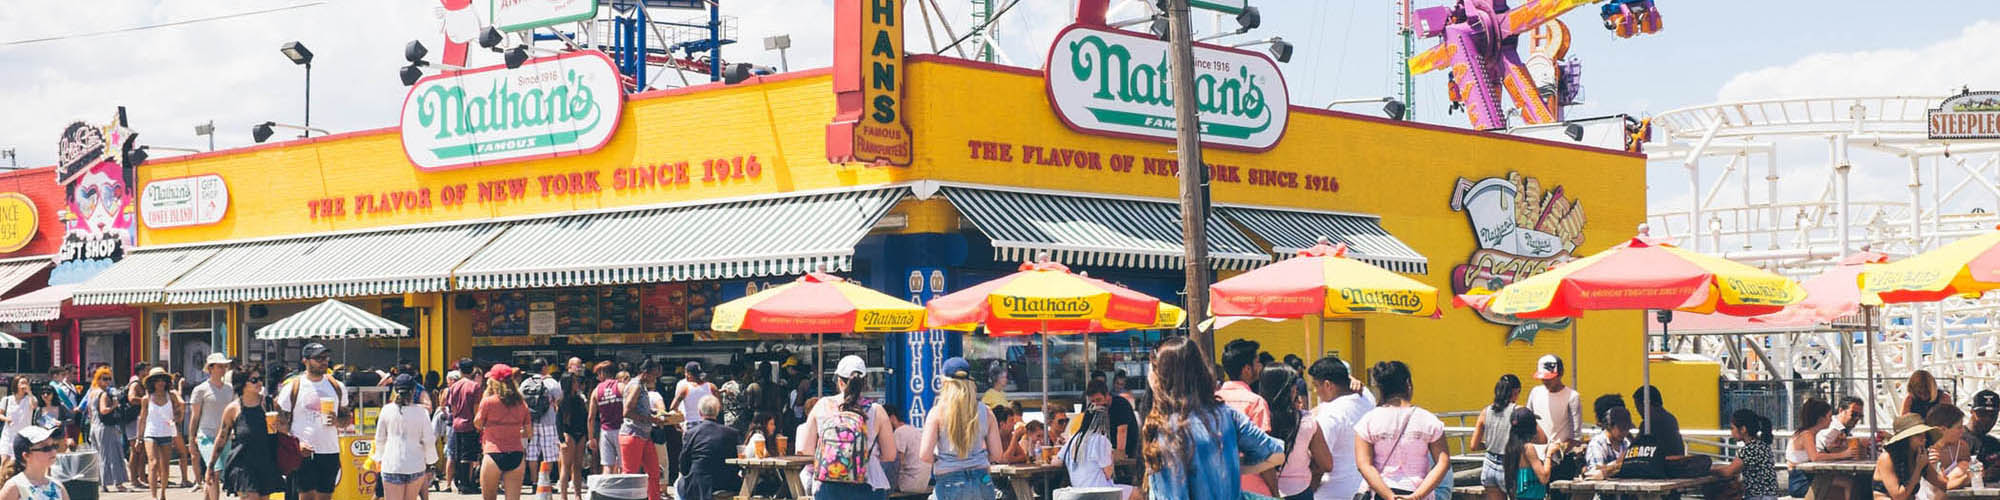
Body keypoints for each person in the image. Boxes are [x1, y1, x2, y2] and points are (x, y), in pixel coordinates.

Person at [1141, 336, 1283, 499]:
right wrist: (1230, 465)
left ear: (1161, 376)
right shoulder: (1227, 414)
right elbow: (1276, 454)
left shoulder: (1167, 430)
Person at [803, 355, 896, 500]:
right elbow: (890, 455)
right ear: (864, 382)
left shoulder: (822, 405)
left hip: (828, 485)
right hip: (868, 485)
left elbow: (806, 450)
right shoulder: (876, 411)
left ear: (839, 381)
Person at [1354, 361, 1450, 500]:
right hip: (1419, 492)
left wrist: (1390, 496)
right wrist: (1417, 496)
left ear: (1381, 388)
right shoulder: (1428, 420)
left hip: (1380, 493)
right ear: (1408, 384)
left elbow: (1364, 465)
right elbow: (1443, 462)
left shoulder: (1368, 421)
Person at [920, 357, 1001, 500]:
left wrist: (941, 459)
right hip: (982, 480)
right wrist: (978, 458)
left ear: (945, 383)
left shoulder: (937, 413)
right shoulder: (986, 412)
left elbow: (925, 455)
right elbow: (997, 454)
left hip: (949, 482)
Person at [276, 343, 350, 500]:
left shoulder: (337, 386)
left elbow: (346, 418)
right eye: (319, 358)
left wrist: (337, 421)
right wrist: (296, 445)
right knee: (306, 496)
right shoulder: (293, 386)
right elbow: (280, 422)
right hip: (303, 451)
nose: (324, 361)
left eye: (326, 358)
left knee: (325, 496)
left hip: (329, 450)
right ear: (305, 361)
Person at [1260, 365, 1332, 500]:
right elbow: (1326, 463)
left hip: (1263, 491)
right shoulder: (1306, 421)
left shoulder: (1257, 420)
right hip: (1300, 491)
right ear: (1291, 389)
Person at [1307, 356, 1373, 500]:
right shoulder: (1366, 398)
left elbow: (1320, 463)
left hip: (1332, 492)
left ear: (1328, 385)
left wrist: (1309, 490)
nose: (1316, 391)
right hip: (1364, 488)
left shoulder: (1329, 414)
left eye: (1316, 385)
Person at [212, 369, 283, 500]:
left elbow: (286, 427)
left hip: (265, 461)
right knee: (251, 497)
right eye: (254, 380)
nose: (259, 383)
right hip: (242, 464)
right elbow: (222, 437)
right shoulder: (233, 409)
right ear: (242, 384)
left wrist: (280, 425)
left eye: (260, 379)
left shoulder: (269, 404)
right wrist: (211, 466)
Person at [376, 374, 438, 500]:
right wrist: (431, 461)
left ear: (395, 390)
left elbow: (380, 439)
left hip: (392, 464)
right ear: (414, 391)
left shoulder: (386, 410)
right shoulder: (422, 412)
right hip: (415, 464)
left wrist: (379, 457)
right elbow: (428, 440)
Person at [476, 364, 530, 500]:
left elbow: (477, 423)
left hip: (493, 452)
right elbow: (529, 432)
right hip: (516, 454)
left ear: (494, 382)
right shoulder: (522, 404)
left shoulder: (488, 402)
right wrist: (513, 430)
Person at [1057, 406, 1135, 500]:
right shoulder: (1100, 440)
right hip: (1101, 491)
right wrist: (1111, 457)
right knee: (1138, 493)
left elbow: (1057, 461)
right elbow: (1108, 473)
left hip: (1078, 491)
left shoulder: (1073, 439)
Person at [618, 360, 668, 500]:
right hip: (633, 434)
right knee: (631, 475)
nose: (655, 379)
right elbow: (627, 412)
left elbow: (639, 408)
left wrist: (653, 413)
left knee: (654, 472)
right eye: (654, 376)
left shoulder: (640, 386)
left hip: (643, 436)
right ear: (645, 373)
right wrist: (651, 419)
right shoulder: (636, 386)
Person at [676, 396, 741, 500]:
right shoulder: (732, 433)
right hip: (726, 481)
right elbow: (737, 462)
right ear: (718, 411)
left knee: (678, 483)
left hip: (698, 484)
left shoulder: (691, 433)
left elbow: (683, 464)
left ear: (699, 412)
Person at [1472, 375, 1525, 500]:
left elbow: (1474, 445)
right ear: (1515, 391)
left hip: (1489, 465)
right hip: (1510, 464)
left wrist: (1491, 443)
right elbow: (1541, 438)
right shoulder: (1519, 412)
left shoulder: (1486, 412)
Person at [189, 353, 232, 500]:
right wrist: (191, 439)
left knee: (213, 473)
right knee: (215, 470)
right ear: (211, 368)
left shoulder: (229, 389)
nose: (223, 369)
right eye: (220, 366)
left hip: (225, 436)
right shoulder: (200, 389)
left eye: (224, 366)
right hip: (206, 435)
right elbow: (195, 416)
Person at [1876, 414, 1950, 500]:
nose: (1924, 439)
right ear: (1906, 439)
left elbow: (1943, 484)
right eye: (1918, 435)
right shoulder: (1887, 458)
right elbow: (1899, 497)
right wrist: (1918, 468)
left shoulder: (1919, 457)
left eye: (1924, 434)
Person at [137, 368, 183, 500]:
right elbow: (142, 418)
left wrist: (177, 419)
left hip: (166, 433)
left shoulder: (171, 396)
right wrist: (139, 438)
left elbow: (180, 409)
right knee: (153, 463)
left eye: (163, 380)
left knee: (165, 466)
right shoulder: (147, 398)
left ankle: (162, 492)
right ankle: (153, 496)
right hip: (150, 433)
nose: (160, 382)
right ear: (152, 382)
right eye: (157, 380)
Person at [519, 359, 561, 500]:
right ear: (544, 368)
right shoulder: (551, 382)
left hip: (531, 422)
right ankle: (545, 481)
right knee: (549, 453)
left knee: (532, 453)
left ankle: (534, 483)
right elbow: (559, 398)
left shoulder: (526, 382)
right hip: (548, 421)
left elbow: (521, 400)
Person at [85, 367, 131, 493]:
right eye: (104, 379)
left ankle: (101, 483)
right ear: (98, 379)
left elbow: (89, 412)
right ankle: (117, 483)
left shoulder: (92, 393)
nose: (107, 381)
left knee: (99, 455)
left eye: (109, 379)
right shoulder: (103, 394)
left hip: (94, 427)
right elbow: (104, 410)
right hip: (106, 427)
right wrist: (114, 406)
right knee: (113, 454)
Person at [444, 359, 486, 494]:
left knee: (458, 454)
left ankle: (460, 483)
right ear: (472, 370)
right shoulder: (475, 387)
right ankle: (466, 484)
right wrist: (478, 425)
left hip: (457, 424)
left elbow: (453, 408)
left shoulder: (454, 387)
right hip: (470, 424)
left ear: (460, 370)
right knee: (469, 456)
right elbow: (476, 407)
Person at [1720, 409, 1778, 500]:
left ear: (1743, 429)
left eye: (1732, 428)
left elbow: (1728, 472)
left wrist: (1709, 470)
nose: (1731, 432)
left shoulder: (1749, 449)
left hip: (1758, 497)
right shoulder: (1762, 445)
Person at [0, 426, 66, 500]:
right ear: (26, 456)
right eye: (45, 448)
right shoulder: (14, 487)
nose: (53, 451)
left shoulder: (58, 486)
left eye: (55, 446)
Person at [1527, 355, 1582, 444]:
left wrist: (1559, 449)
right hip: (1536, 449)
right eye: (1543, 378)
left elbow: (1576, 435)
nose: (1545, 381)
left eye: (1549, 378)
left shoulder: (1572, 396)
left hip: (1561, 449)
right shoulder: (1535, 392)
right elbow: (1527, 422)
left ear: (1560, 374)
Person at [1085, 379, 1141, 460]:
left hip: (1128, 451)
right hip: (1107, 453)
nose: (1097, 404)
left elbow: (1122, 431)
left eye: (1099, 400)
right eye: (1093, 401)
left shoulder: (1120, 404)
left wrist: (1119, 455)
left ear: (1107, 395)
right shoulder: (1093, 408)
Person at [1925, 405, 1973, 498]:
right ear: (1942, 430)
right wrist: (1967, 478)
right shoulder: (1927, 450)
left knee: (1964, 465)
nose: (1963, 431)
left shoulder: (1961, 447)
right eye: (1959, 427)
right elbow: (1941, 486)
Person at [585, 361, 623, 476]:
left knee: (607, 466)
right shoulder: (621, 386)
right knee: (623, 465)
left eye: (598, 374)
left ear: (602, 373)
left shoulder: (596, 391)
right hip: (621, 430)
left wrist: (591, 438)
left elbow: (591, 417)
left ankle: (607, 487)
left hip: (605, 431)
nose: (597, 377)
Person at [1501, 409, 1549, 500]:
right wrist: (1549, 455)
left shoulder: (1511, 446)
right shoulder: (1528, 448)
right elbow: (1544, 478)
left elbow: (1543, 440)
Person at [556, 373, 589, 500]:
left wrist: (586, 435)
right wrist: (561, 439)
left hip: (580, 434)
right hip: (568, 433)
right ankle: (563, 496)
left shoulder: (580, 399)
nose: (577, 384)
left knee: (578, 466)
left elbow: (585, 418)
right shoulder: (562, 401)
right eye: (574, 382)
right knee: (566, 466)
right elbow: (558, 422)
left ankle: (577, 495)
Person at [884, 407, 927, 493]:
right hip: (923, 484)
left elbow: (898, 462)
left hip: (908, 484)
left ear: (892, 418)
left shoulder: (899, 432)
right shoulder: (914, 430)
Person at [0, 377, 34, 481]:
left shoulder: (30, 399)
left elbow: (34, 406)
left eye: (26, 382)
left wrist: (29, 392)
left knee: (20, 462)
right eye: (22, 382)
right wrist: (6, 419)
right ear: (16, 385)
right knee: (4, 460)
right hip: (8, 435)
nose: (24, 384)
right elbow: (0, 414)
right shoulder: (7, 400)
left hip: (23, 436)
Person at [1584, 407, 1633, 479]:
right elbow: (1594, 472)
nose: (1625, 432)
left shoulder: (1626, 443)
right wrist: (1618, 464)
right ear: (1610, 426)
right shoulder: (1597, 443)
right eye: (1621, 428)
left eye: (1627, 428)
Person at [1965, 391, 2000, 485]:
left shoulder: (1994, 444)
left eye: (1992, 415)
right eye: (1982, 414)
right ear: (1972, 411)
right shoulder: (1957, 439)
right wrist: (1983, 475)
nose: (1987, 419)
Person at [718, 365, 748, 433]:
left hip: (728, 417)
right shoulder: (742, 386)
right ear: (741, 374)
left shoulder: (725, 385)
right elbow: (745, 400)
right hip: (741, 418)